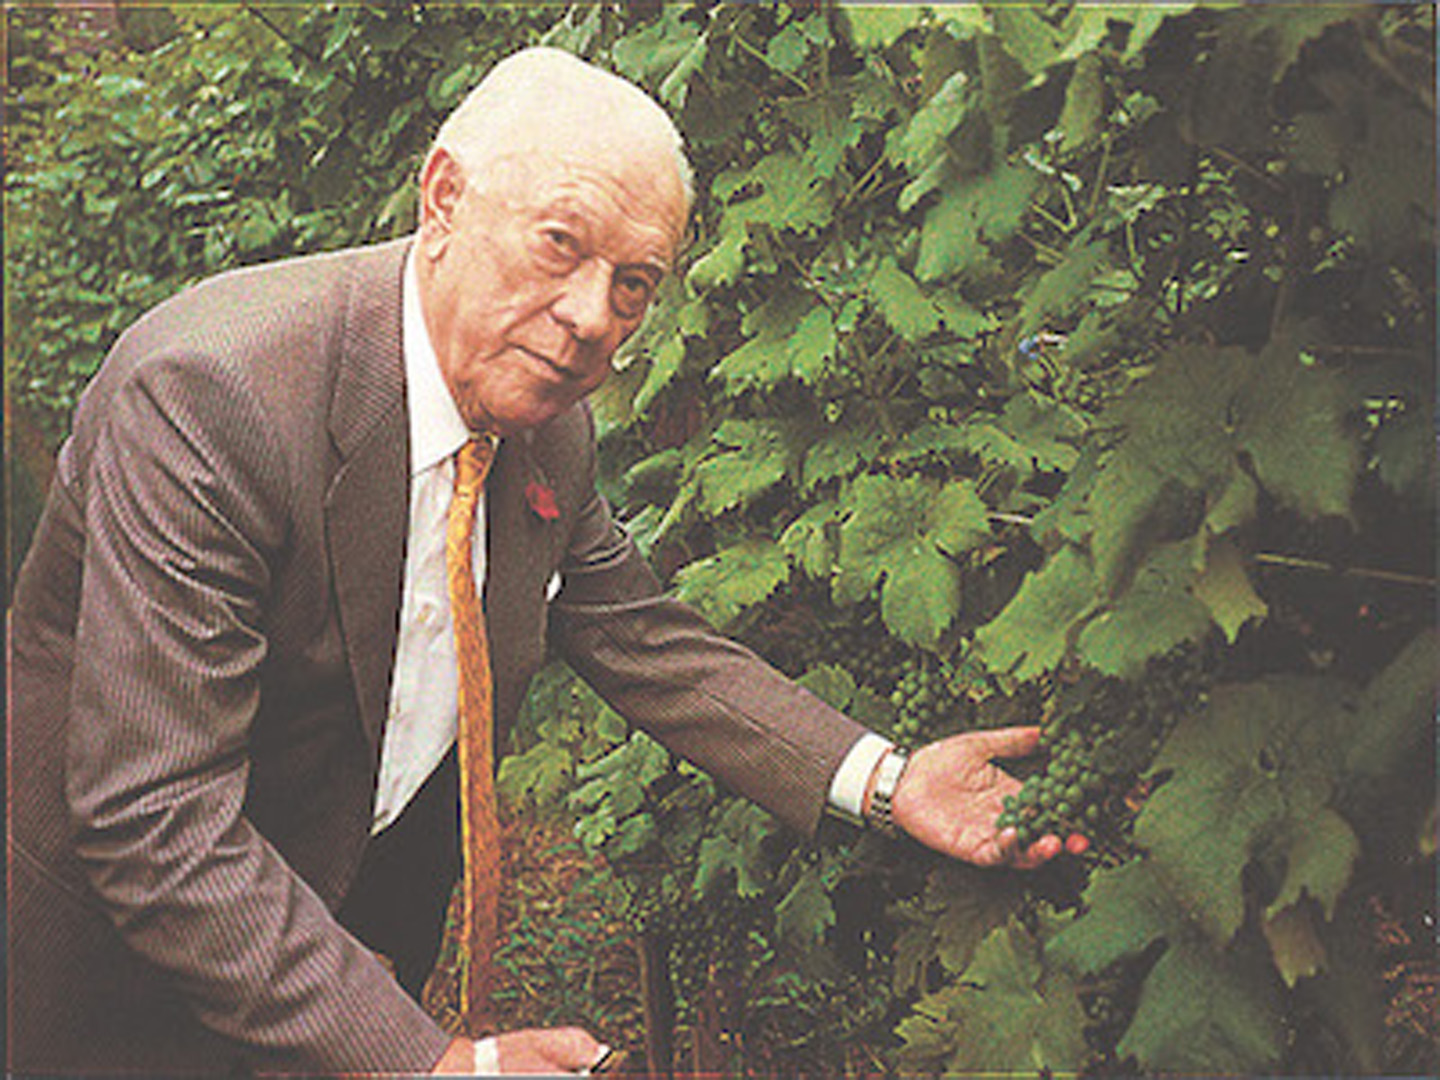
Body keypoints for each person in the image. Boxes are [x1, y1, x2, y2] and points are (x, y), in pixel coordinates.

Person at [7, 47, 1082, 1077]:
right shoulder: (213, 395)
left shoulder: (547, 431)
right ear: (444, 198)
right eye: (560, 244)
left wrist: (891, 781)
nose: (591, 319)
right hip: (103, 998)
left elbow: (644, 638)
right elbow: (152, 813)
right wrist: (418, 1058)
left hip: (338, 968)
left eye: (635, 284)